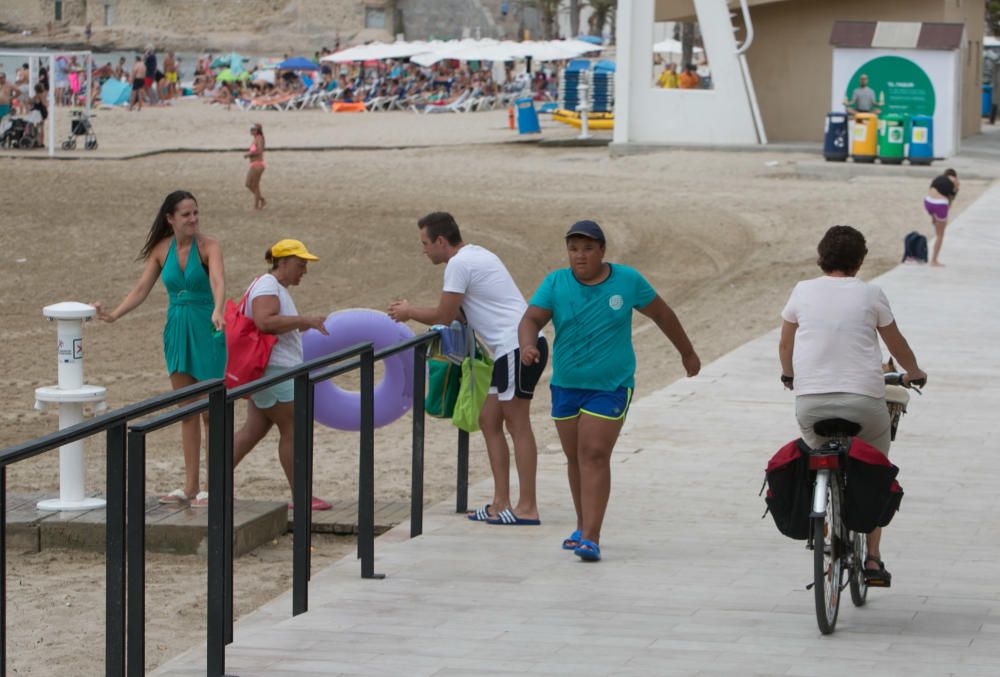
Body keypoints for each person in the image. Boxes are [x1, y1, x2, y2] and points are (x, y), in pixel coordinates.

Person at [518, 220, 700, 561]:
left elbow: (662, 313)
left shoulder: (627, 280)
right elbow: (530, 320)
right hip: (566, 386)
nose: (580, 256)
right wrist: (528, 345)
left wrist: (686, 352)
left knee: (595, 453)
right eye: (574, 249)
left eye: (588, 248)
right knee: (575, 457)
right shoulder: (555, 283)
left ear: (602, 250)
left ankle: (592, 535)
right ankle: (581, 524)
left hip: (611, 386)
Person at [779, 225, 926, 585]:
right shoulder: (871, 293)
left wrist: (789, 376)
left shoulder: (802, 291)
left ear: (821, 257)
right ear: (860, 261)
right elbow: (897, 343)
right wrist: (914, 371)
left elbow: (786, 345)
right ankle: (873, 559)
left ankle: (823, 521)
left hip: (811, 403)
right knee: (875, 468)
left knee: (815, 457)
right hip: (863, 401)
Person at [388, 212, 549, 526]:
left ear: (440, 241)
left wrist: (408, 311)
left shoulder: (459, 264)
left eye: (424, 243)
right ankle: (500, 502)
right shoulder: (476, 255)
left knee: (518, 425)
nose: (423, 250)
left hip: (518, 347)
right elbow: (462, 314)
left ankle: (527, 507)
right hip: (509, 349)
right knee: (489, 420)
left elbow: (444, 316)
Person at [93, 191, 226, 507]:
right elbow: (141, 289)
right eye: (186, 214)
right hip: (176, 329)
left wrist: (219, 308)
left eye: (196, 212)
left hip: (207, 326)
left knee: (211, 412)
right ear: (170, 218)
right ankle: (190, 486)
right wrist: (113, 315)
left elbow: (219, 281)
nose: (193, 219)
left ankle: (214, 485)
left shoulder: (210, 246)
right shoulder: (160, 250)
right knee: (186, 410)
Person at [232, 239, 332, 510]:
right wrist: (305, 321)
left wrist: (301, 325)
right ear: (283, 262)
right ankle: (301, 496)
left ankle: (211, 488)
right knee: (295, 429)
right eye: (301, 265)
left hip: (266, 371)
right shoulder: (267, 285)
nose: (304, 271)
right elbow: (266, 322)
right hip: (274, 371)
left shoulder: (271, 286)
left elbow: (270, 322)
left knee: (252, 431)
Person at [923, 168, 959, 267]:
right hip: (940, 204)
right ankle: (934, 261)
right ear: (954, 176)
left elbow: (930, 190)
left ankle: (934, 218)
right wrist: (945, 212)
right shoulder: (955, 181)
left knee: (935, 219)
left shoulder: (938, 178)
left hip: (927, 202)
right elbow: (951, 199)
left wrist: (933, 217)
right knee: (940, 235)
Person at [244, 123, 267, 209]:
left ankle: (257, 205)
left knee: (255, 185)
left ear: (258, 131)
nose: (252, 131)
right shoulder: (255, 139)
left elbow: (260, 150)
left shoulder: (260, 139)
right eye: (251, 129)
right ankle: (261, 200)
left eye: (254, 129)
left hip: (258, 164)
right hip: (254, 164)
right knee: (248, 184)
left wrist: (249, 154)